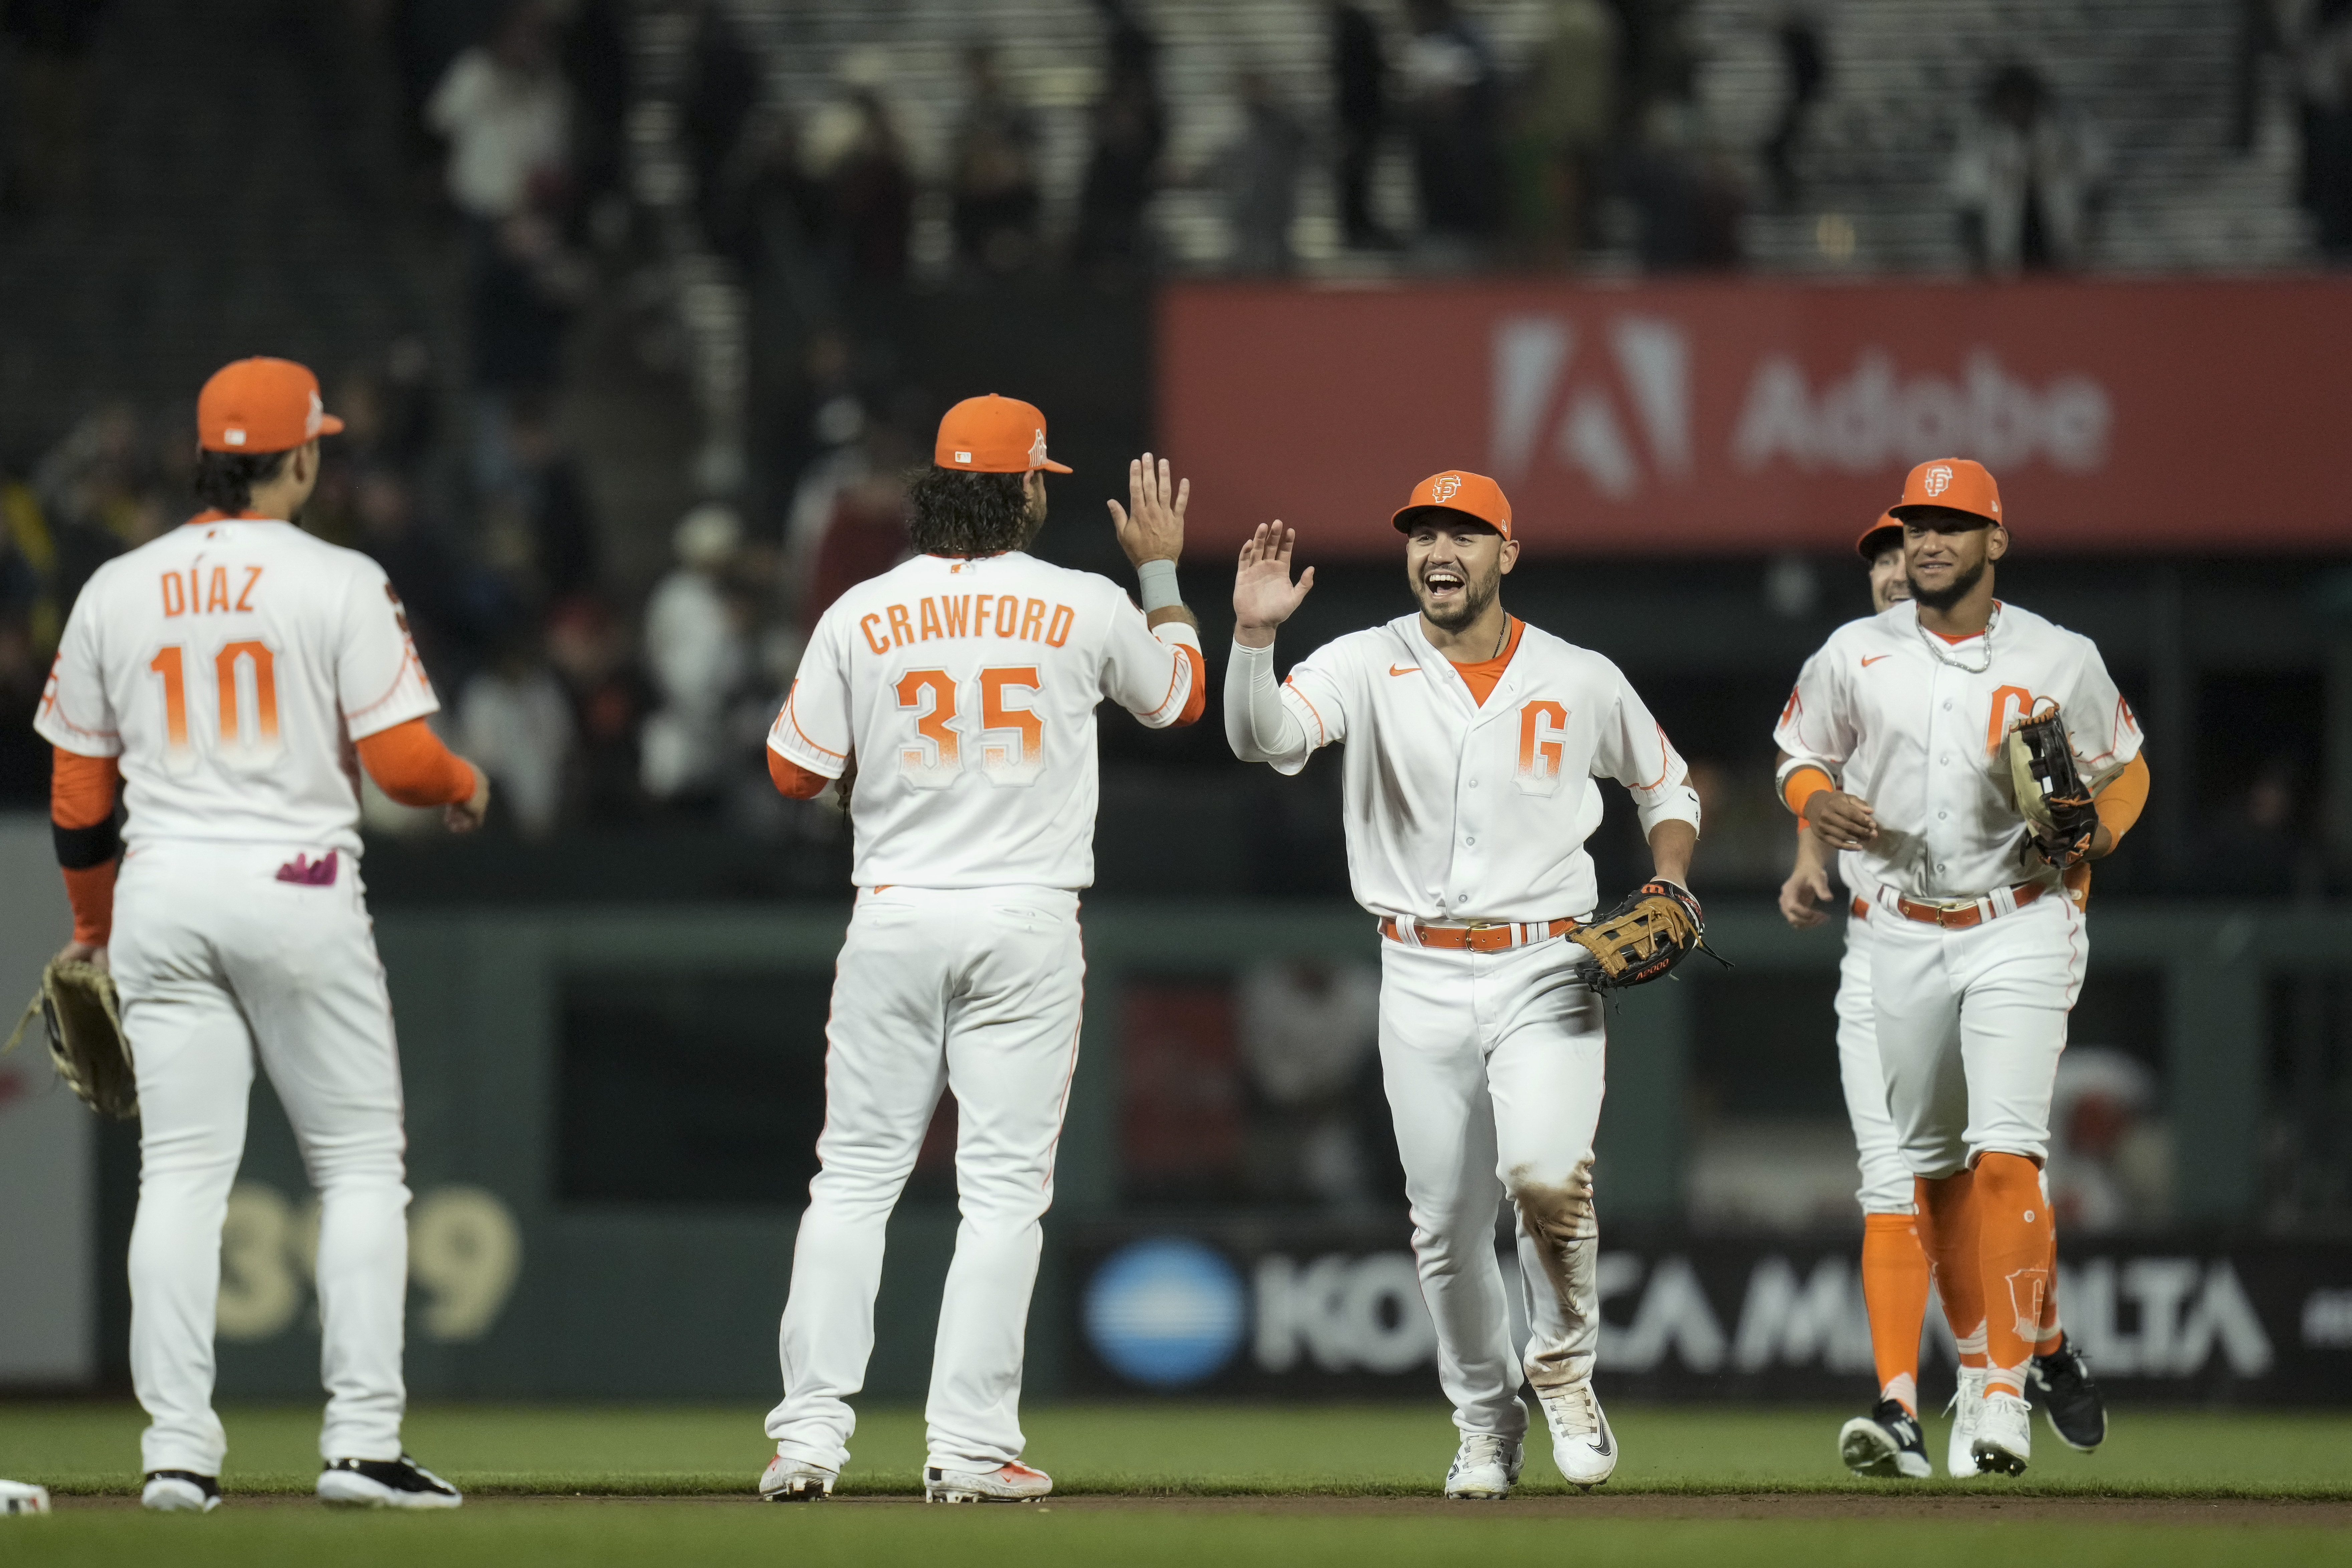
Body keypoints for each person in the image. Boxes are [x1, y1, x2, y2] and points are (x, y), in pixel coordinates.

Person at [33, 358, 490, 1512]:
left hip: (163, 890)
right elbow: (401, 764)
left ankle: (177, 1455)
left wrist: (92, 928)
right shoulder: (339, 577)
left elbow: (80, 798)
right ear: (300, 457)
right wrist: (464, 778)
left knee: (181, 1176)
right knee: (357, 1171)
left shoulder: (116, 587)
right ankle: (361, 1446)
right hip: (294, 883)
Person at [757, 396, 1205, 1504]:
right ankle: (966, 1447)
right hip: (1024, 916)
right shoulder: (1085, 602)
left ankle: (808, 1438)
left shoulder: (863, 610)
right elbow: (1183, 699)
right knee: (1001, 1192)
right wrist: (1161, 576)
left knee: (853, 1177)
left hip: (898, 909)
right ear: (1030, 489)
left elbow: (790, 773)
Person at [1225, 470, 1702, 1498]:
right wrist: (1254, 640)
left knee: (1545, 1178)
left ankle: (1566, 1372)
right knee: (1444, 1227)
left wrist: (1668, 874)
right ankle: (1486, 1424)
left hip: (1551, 962)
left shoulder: (1579, 675)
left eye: (1466, 533)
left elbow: (1669, 786)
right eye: (1425, 533)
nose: (1441, 550)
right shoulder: (1365, 659)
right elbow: (1263, 739)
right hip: (1419, 968)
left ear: (1507, 554)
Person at [1773, 459, 2150, 1477]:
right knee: (1931, 1170)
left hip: (2017, 918)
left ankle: (1995, 1398)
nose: (1928, 540)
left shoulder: (2059, 655)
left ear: (1996, 541)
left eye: (1951, 524)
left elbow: (2127, 761)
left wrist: (2100, 837)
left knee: (2006, 1153)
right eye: (1916, 524)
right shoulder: (1855, 650)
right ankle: (2023, 1354)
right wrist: (1814, 799)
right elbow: (1798, 750)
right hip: (1895, 926)